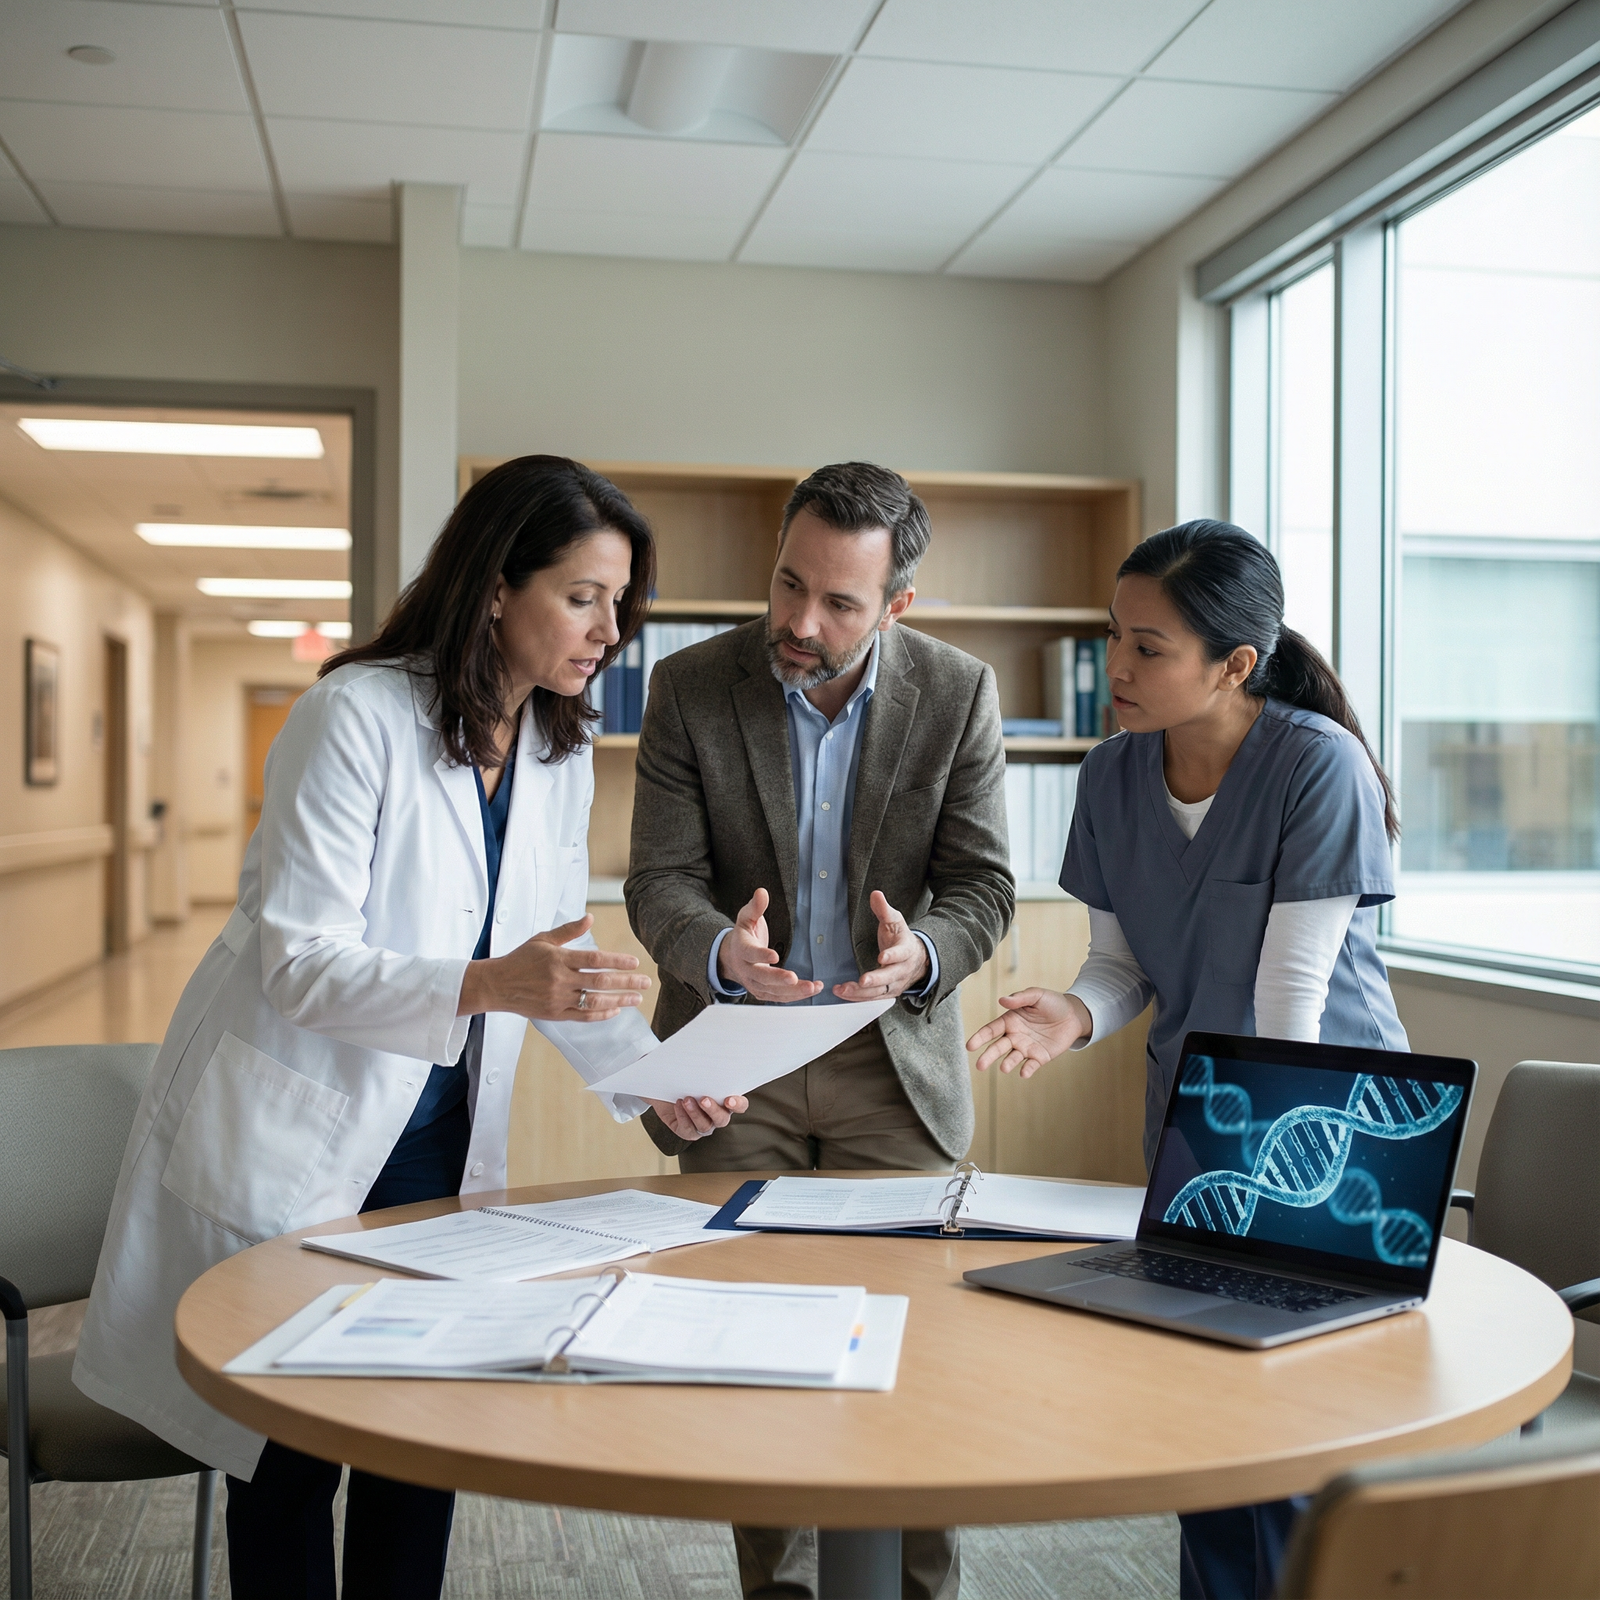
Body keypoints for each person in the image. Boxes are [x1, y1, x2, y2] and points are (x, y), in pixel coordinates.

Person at [73, 456, 746, 1600]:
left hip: (438, 1140)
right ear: (496, 586)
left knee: (419, 1435)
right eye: (582, 596)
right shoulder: (351, 714)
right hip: (306, 1127)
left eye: (619, 603)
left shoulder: (555, 747)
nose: (610, 630)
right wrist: (490, 984)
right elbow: (300, 960)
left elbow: (550, 963)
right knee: (290, 1451)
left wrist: (651, 1081)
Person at [967, 518, 1407, 1600]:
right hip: (1202, 1130)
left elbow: (1289, 1001)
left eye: (1148, 646)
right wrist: (1070, 1014)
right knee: (1209, 1432)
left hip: (1331, 1133)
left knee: (1303, 1443)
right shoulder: (1111, 777)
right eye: (1113, 635)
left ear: (1235, 664)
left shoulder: (1316, 765)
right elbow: (1122, 966)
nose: (1115, 666)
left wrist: (1261, 1182)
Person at [624, 461, 1013, 1600]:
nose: (799, 622)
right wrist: (715, 950)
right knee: (752, 1360)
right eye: (788, 584)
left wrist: (923, 953)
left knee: (912, 1361)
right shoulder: (691, 685)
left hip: (892, 1066)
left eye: (839, 603)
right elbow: (659, 879)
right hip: (737, 1063)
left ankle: (919, 1592)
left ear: (897, 606)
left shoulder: (957, 694)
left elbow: (982, 887)